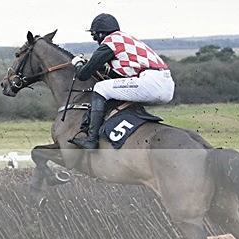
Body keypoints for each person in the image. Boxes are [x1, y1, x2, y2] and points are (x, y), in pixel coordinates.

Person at [70, 13, 174, 150]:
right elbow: (123, 77)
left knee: (100, 88)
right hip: (165, 85)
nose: (95, 39)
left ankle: (91, 139)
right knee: (116, 92)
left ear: (100, 33)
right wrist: (105, 70)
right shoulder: (124, 39)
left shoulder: (110, 42)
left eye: (94, 35)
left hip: (151, 82)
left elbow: (83, 75)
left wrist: (77, 63)